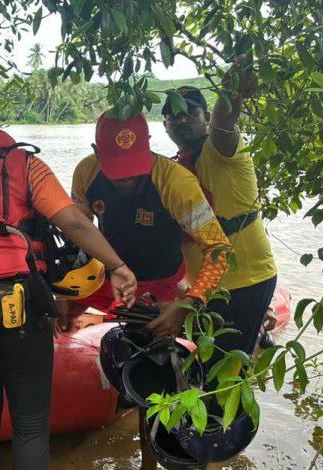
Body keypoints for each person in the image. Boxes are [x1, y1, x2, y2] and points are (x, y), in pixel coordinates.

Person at [0, 85, 137, 470]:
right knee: (31, 423)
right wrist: (118, 266)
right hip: (17, 310)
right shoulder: (23, 165)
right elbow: (71, 222)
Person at [70, 111, 231, 470]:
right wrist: (71, 299)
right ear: (96, 151)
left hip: (160, 280)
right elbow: (80, 233)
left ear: (149, 149)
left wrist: (189, 303)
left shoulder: (176, 182)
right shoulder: (85, 173)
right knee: (58, 308)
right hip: (110, 272)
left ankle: (149, 460)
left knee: (154, 369)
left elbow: (219, 250)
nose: (126, 179)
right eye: (117, 169)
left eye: (134, 167)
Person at [161, 54, 277, 364]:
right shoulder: (175, 167)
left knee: (227, 373)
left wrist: (232, 90)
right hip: (207, 286)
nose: (181, 119)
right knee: (204, 368)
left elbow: (226, 121)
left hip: (245, 281)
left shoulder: (221, 150)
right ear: (165, 125)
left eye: (190, 112)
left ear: (207, 116)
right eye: (173, 115)